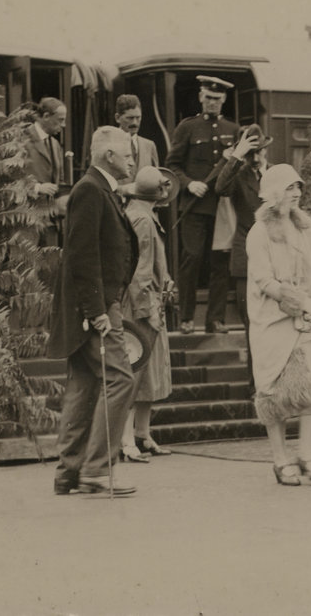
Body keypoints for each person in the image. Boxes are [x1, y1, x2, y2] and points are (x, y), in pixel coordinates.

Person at [48, 126, 138, 496]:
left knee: (85, 386)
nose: (133, 160)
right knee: (121, 380)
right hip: (96, 308)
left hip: (95, 304)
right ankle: (97, 471)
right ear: (108, 156)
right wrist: (97, 310)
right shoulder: (90, 189)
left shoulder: (98, 189)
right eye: (128, 154)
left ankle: (69, 473)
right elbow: (81, 256)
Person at [246, 164, 311, 486]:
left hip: (308, 318)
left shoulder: (305, 226)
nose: (297, 193)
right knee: (275, 393)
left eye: (298, 187)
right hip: (272, 320)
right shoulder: (259, 232)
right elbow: (263, 279)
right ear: (273, 193)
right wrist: (294, 299)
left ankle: (307, 454)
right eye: (289, 188)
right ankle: (280, 459)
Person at [166, 75, 240, 334]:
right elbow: (172, 165)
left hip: (221, 207)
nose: (212, 103)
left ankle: (215, 319)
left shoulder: (233, 130)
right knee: (192, 258)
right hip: (195, 206)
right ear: (200, 97)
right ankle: (186, 317)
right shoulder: (187, 128)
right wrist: (189, 184)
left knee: (220, 263)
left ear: (224, 100)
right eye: (208, 98)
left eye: (217, 99)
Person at [119, 166, 176, 462]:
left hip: (152, 300)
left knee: (150, 373)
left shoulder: (145, 214)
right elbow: (139, 271)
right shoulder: (141, 218)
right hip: (141, 305)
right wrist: (146, 309)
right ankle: (126, 440)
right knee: (135, 370)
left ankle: (142, 433)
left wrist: (165, 280)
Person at [215, 123, 272, 392]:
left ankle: (274, 384)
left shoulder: (275, 175)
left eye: (260, 151)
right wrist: (236, 156)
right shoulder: (237, 176)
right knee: (253, 326)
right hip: (246, 260)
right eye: (252, 152)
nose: (257, 157)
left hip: (275, 261)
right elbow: (220, 187)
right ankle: (256, 386)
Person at [23, 97, 68, 245]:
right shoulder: (21, 139)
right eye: (60, 120)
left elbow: (59, 180)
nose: (63, 125)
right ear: (46, 116)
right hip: (26, 219)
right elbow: (9, 178)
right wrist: (37, 188)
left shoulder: (55, 144)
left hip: (51, 221)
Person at [114, 94, 159, 183]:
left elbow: (155, 181)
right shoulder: (109, 144)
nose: (135, 122)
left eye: (138, 118)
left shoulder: (149, 146)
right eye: (130, 118)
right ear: (118, 118)